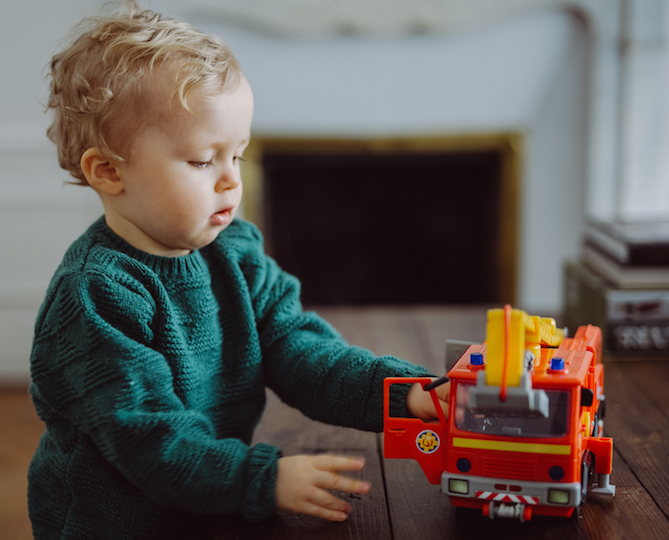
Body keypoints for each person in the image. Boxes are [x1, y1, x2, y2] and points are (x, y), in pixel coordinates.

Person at [27, 1, 449, 538]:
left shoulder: (234, 250)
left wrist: (402, 392)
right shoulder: (96, 294)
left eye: (239, 155)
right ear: (108, 171)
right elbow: (150, 439)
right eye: (204, 160)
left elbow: (298, 347)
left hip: (210, 503)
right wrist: (262, 480)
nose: (230, 181)